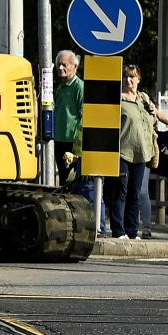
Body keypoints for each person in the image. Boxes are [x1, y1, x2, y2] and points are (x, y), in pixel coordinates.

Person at [115, 63, 168, 240]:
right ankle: (118, 231)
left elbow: (157, 115)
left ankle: (132, 232)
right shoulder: (118, 99)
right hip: (123, 152)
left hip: (142, 152)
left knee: (135, 193)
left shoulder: (144, 98)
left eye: (132, 76)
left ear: (138, 79)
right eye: (125, 76)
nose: (128, 80)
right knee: (121, 192)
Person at [53, 51, 94, 228]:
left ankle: (78, 220)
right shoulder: (60, 87)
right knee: (64, 180)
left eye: (65, 65)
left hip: (74, 143)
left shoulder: (79, 87)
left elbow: (85, 116)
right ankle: (67, 220)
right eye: (59, 65)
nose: (61, 68)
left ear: (74, 67)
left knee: (74, 183)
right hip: (59, 140)